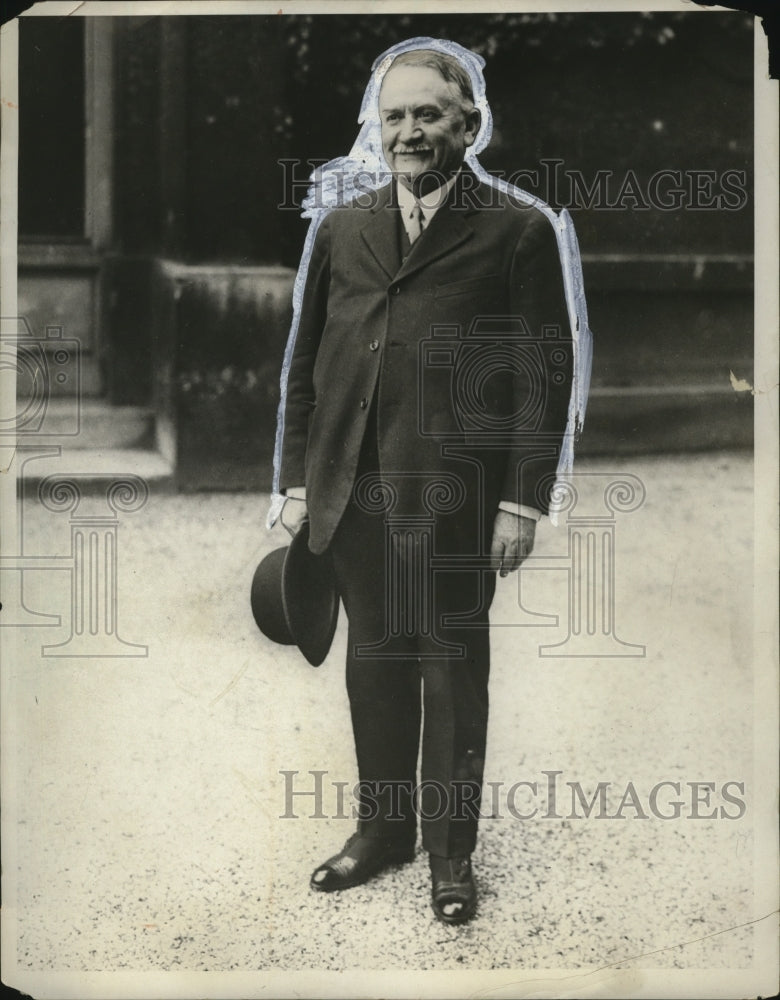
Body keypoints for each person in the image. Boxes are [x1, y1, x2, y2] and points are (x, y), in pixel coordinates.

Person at [274, 40, 585, 925]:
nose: (409, 132)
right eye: (394, 116)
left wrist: (523, 500)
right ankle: (384, 833)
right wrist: (298, 483)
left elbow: (542, 376)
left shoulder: (520, 229)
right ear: (378, 129)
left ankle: (451, 857)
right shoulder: (342, 226)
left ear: (470, 125)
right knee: (373, 661)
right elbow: (307, 365)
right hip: (352, 494)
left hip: (456, 497)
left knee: (450, 670)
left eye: (428, 115)